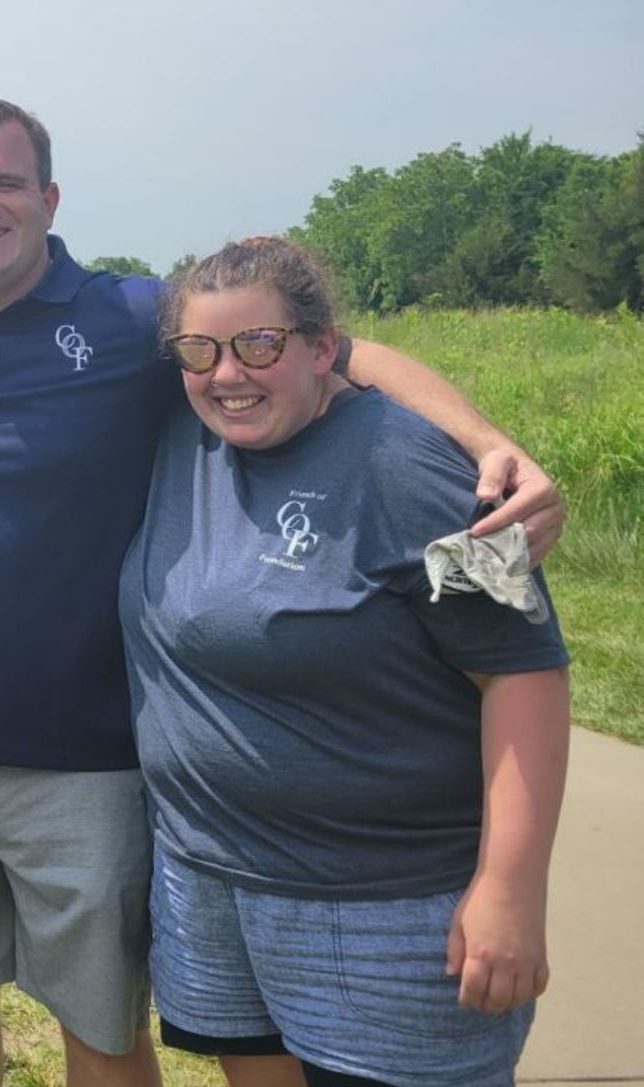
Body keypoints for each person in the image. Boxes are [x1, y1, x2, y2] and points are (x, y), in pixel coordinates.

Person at [0, 98, 567, 1087]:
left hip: (105, 766)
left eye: (6, 182)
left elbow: (319, 348)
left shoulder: (136, 320)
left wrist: (484, 440)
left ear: (50, 198)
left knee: (101, 1021)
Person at [120, 238, 570, 1087]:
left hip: (387, 912)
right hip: (210, 886)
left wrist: (510, 886)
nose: (228, 372)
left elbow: (526, 671)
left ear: (323, 347)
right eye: (201, 350)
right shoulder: (190, 433)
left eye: (261, 344)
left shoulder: (417, 465)